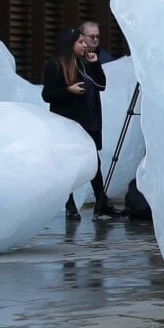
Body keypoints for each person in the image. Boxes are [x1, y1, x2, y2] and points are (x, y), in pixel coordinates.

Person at [42, 26, 119, 220]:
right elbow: (47, 95)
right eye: (80, 42)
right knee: (69, 163)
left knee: (95, 161)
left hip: (90, 119)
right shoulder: (55, 65)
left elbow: (101, 85)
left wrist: (95, 64)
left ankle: (101, 202)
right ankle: (69, 205)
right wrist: (69, 90)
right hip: (69, 122)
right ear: (70, 45)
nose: (85, 45)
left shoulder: (85, 64)